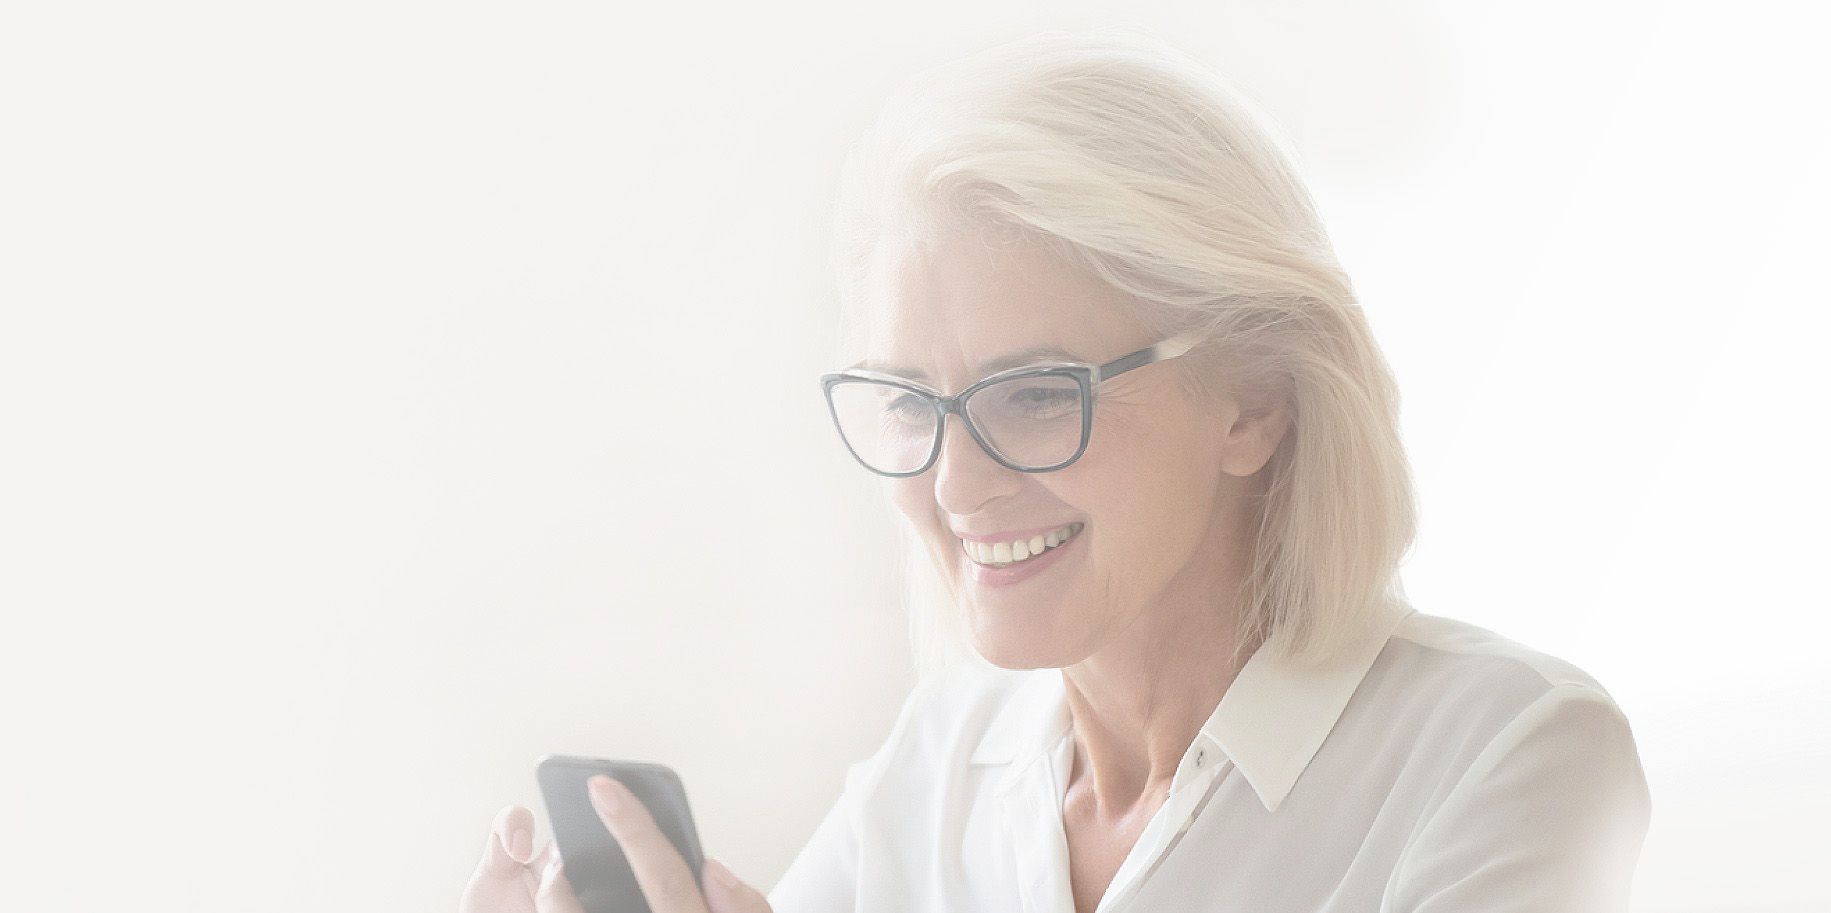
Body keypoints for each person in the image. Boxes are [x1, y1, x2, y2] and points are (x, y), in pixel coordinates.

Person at [460, 27, 1652, 913]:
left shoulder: (1511, 755)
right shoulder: (935, 772)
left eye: (1034, 396)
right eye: (913, 400)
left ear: (1256, 401)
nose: (957, 486)